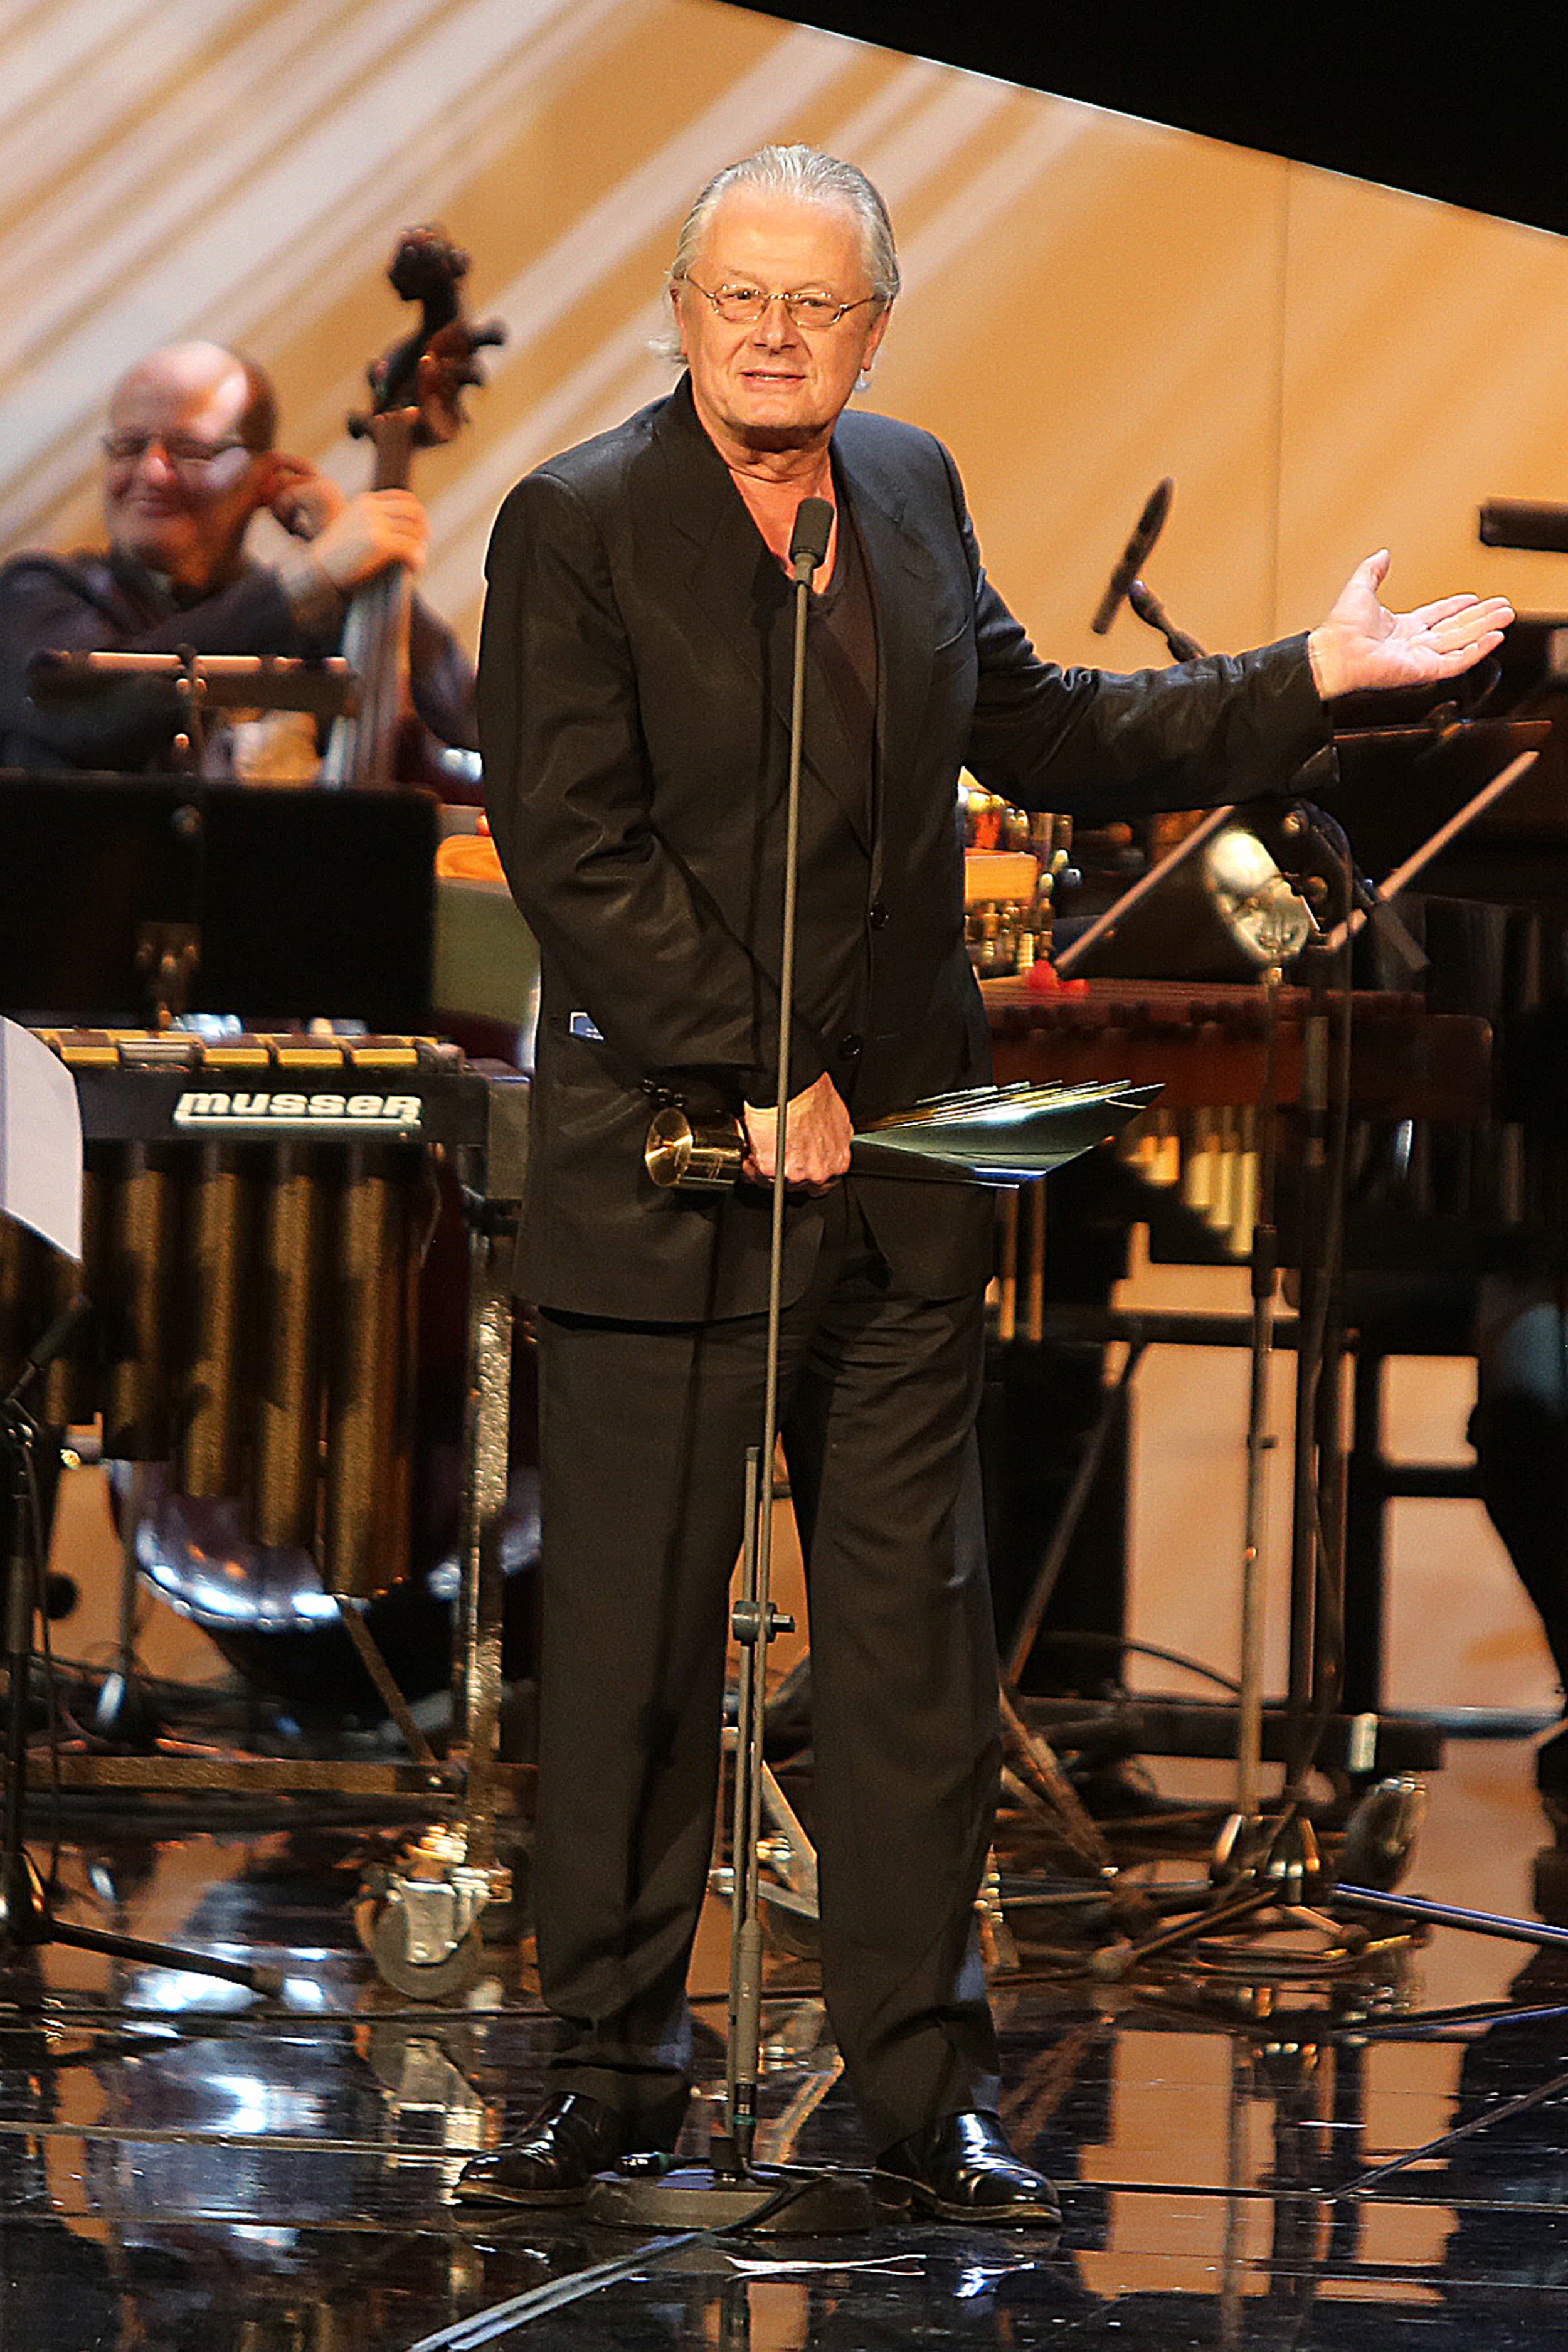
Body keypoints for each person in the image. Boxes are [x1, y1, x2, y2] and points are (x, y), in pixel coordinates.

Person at [462, 144, 1510, 2227]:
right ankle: (604, 2077)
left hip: (899, 1187)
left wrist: (1310, 678)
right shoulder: (575, 521)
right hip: (676, 1178)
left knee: (914, 1666)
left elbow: (1042, 727)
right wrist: (756, 1066)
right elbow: (576, 853)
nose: (772, 336)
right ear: (682, 310)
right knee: (638, 1665)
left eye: (814, 305)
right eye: (738, 298)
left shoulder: (908, 485)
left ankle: (917, 2092)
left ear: (874, 329)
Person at [0, 339, 474, 775]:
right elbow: (89, 714)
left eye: (190, 450)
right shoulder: (35, 591)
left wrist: (369, 573)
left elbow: (468, 733)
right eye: (128, 446)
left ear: (267, 477)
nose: (152, 472)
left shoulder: (301, 619)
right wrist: (308, 581)